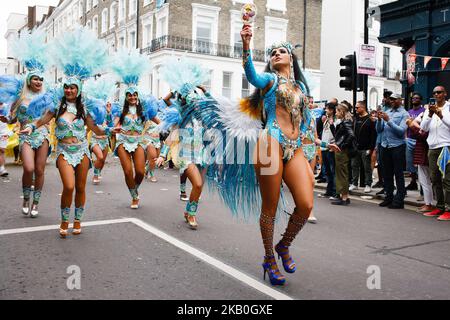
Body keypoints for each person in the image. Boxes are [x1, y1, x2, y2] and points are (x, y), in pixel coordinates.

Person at [238, 25, 340, 286]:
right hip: (270, 143)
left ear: (291, 58)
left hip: (294, 148)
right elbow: (252, 76)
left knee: (305, 205)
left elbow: (305, 124)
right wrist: (247, 45)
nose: (276, 54)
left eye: (282, 51)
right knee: (270, 208)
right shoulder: (270, 81)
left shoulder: (301, 89)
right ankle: (269, 257)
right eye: (272, 52)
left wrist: (322, 144)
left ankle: (284, 245)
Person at [20, 27, 111, 238]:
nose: (69, 90)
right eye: (66, 87)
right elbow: (44, 119)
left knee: (80, 188)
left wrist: (107, 130)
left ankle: (77, 220)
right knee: (68, 186)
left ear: (78, 89)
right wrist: (32, 126)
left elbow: (96, 129)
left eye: (73, 87)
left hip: (82, 152)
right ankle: (64, 220)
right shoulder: (57, 105)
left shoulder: (84, 109)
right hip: (64, 152)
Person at [156, 57, 214, 230]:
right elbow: (172, 137)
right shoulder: (180, 118)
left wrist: (203, 88)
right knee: (196, 184)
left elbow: (212, 105)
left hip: (201, 154)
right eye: (191, 100)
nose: (195, 103)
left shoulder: (202, 117)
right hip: (186, 155)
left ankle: (189, 210)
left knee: (199, 186)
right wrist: (162, 154)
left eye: (196, 101)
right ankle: (192, 215)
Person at [0, 29, 50, 218]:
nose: (38, 81)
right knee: (28, 168)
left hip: (42, 134)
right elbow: (13, 117)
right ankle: (26, 198)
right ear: (29, 80)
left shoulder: (46, 97)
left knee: (39, 170)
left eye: (41, 79)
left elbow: (49, 116)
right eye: (35, 78)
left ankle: (36, 202)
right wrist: (7, 119)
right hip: (25, 136)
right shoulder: (19, 97)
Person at [110, 49, 161, 209]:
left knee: (139, 172)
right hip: (123, 141)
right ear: (126, 96)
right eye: (130, 95)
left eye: (135, 95)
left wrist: (167, 126)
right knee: (127, 172)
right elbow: (116, 122)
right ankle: (134, 196)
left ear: (138, 96)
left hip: (138, 141)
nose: (132, 97)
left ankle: (134, 188)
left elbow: (158, 121)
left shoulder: (144, 110)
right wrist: (115, 127)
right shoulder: (121, 109)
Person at [420, 86, 450, 221]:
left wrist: (441, 115)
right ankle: (440, 206)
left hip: (446, 147)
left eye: (439, 92)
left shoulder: (448, 108)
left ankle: (449, 209)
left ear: (445, 94)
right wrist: (431, 114)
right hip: (432, 147)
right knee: (435, 178)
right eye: (434, 93)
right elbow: (423, 128)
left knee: (447, 180)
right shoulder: (428, 110)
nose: (436, 94)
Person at [377, 93, 409, 209]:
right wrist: (380, 120)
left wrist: (388, 120)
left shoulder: (405, 114)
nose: (391, 101)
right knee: (387, 173)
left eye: (394, 99)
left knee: (398, 174)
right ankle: (389, 197)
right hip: (385, 146)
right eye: (390, 99)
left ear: (400, 100)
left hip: (397, 147)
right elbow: (379, 130)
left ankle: (399, 200)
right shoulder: (388, 112)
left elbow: (401, 131)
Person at [406, 112, 434, 213]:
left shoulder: (430, 124)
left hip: (425, 153)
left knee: (427, 181)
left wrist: (412, 126)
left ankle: (429, 204)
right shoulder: (426, 122)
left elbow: (422, 136)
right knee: (424, 181)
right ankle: (428, 203)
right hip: (422, 153)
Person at [331, 103, 356, 206]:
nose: (335, 113)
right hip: (340, 150)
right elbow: (338, 136)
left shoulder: (346, 122)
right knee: (340, 173)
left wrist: (342, 145)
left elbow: (351, 135)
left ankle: (344, 198)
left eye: (336, 111)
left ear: (341, 112)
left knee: (342, 174)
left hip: (342, 151)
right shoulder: (343, 122)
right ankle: (343, 196)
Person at [350, 101, 377, 194]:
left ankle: (368, 184)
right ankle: (354, 183)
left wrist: (371, 148)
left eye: (357, 108)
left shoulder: (370, 119)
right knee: (354, 166)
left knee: (367, 167)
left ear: (363, 108)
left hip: (366, 147)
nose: (356, 109)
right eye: (355, 108)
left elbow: (373, 135)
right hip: (356, 147)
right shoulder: (355, 118)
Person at [373, 90, 393, 192]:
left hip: (390, 141)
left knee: (388, 165)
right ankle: (383, 183)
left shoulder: (393, 110)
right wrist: (377, 119)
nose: (385, 99)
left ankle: (389, 185)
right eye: (385, 97)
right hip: (380, 140)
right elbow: (379, 128)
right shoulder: (382, 108)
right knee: (380, 163)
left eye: (388, 97)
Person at [405, 92, 425, 191]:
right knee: (409, 163)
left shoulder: (424, 111)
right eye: (413, 98)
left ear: (420, 100)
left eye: (417, 98)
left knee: (420, 164)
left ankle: (422, 186)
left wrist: (413, 122)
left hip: (419, 140)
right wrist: (406, 137)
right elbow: (406, 125)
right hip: (409, 139)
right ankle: (413, 182)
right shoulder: (409, 111)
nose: (414, 99)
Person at [317, 103, 337, 199]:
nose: (325, 111)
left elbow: (335, 133)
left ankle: (334, 191)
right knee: (327, 171)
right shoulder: (325, 120)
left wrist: (332, 123)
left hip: (330, 148)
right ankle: (328, 191)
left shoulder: (335, 120)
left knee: (333, 171)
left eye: (327, 109)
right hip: (324, 147)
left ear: (332, 110)